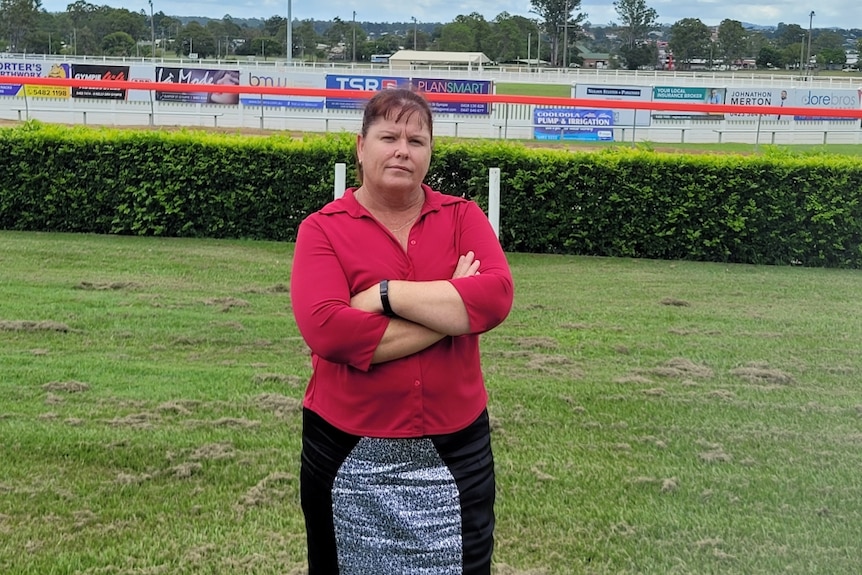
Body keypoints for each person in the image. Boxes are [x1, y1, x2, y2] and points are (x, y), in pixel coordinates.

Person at [290, 88, 514, 575]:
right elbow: (329, 331)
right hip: (348, 453)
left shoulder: (462, 216)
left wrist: (387, 294)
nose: (402, 150)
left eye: (417, 140)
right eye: (388, 136)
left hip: (456, 454)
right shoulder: (322, 229)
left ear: (430, 153)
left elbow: (494, 298)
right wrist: (450, 305)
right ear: (360, 146)